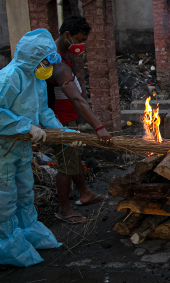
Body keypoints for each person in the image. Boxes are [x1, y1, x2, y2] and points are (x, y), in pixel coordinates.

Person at [0, 29, 64, 267]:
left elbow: (42, 110)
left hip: (19, 144)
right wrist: (25, 126)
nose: (47, 66)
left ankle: (28, 229)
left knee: (24, 190)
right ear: (33, 57)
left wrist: (61, 131)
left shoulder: (35, 78)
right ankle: (9, 243)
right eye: (45, 60)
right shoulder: (8, 78)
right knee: (4, 197)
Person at [46, 15, 113, 224]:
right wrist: (99, 127)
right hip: (60, 122)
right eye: (80, 39)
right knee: (66, 164)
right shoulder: (58, 63)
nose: (82, 45)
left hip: (68, 119)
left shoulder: (63, 57)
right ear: (67, 35)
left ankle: (85, 193)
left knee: (74, 157)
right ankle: (64, 210)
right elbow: (76, 98)